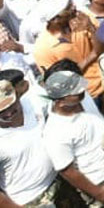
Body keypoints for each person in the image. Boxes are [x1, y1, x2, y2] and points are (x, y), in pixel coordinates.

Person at [42, 69, 104, 207]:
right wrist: (98, 192)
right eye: (77, 91)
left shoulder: (82, 97)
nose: (82, 90)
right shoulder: (54, 132)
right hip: (102, 180)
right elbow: (66, 170)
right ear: (61, 101)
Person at [0, 77, 60, 207]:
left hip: (60, 182)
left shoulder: (33, 103)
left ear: (18, 96)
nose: (9, 113)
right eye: (2, 111)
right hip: (31, 201)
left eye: (11, 105)